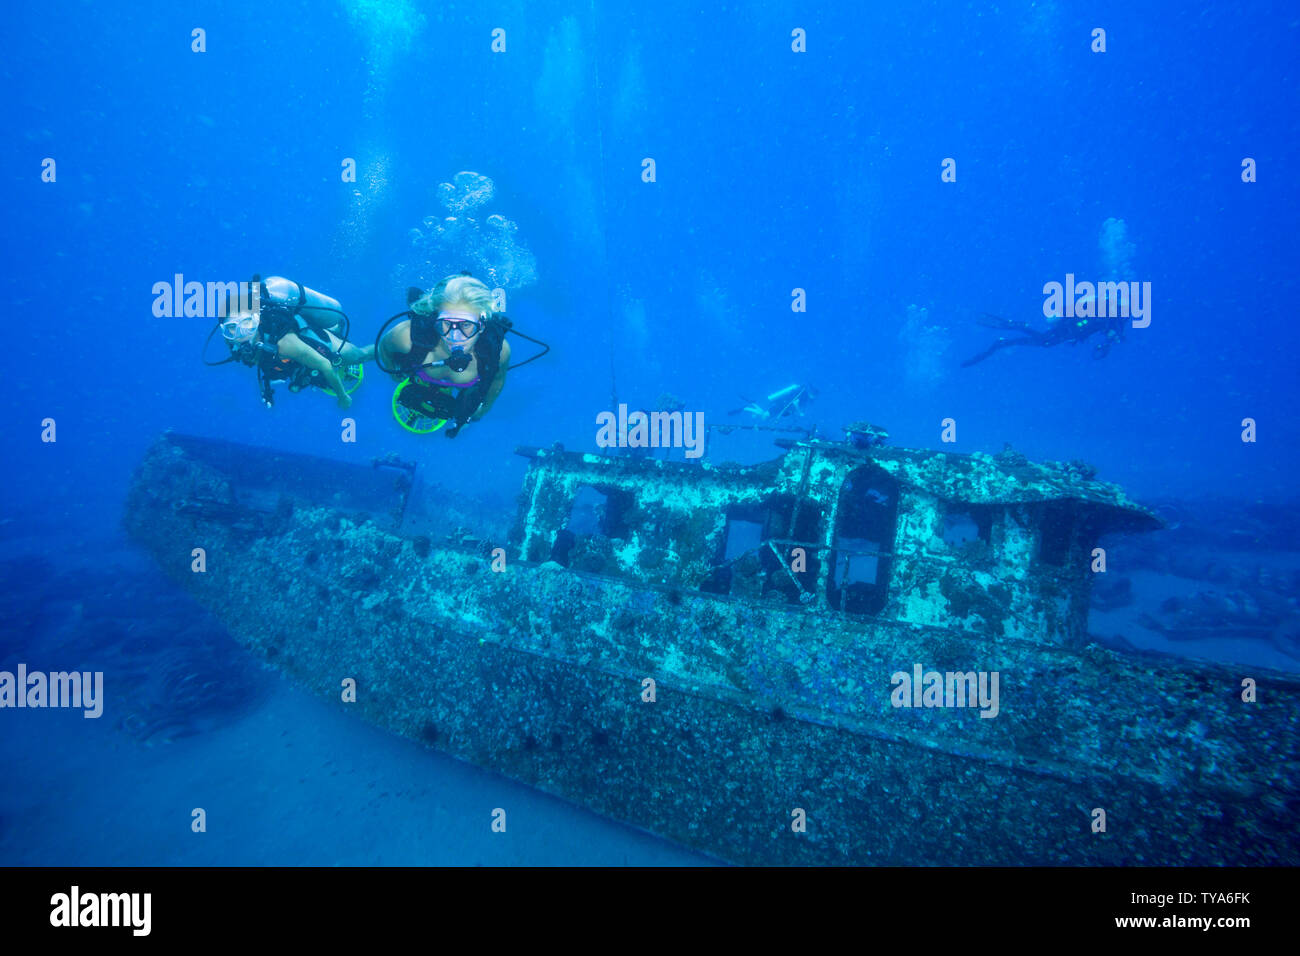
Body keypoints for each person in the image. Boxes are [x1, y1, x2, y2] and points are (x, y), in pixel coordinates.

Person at [377, 273, 511, 437]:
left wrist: (484, 409)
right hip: (418, 363)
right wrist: (393, 373)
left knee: (467, 408)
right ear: (435, 319)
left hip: (439, 377)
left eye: (467, 325)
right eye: (446, 323)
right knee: (370, 352)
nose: (454, 337)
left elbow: (497, 379)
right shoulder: (404, 337)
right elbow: (384, 348)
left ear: (482, 325)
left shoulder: (499, 352)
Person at [216, 276, 372, 408]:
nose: (241, 334)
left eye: (246, 324)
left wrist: (343, 397)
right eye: (232, 328)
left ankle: (385, 348)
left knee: (360, 356)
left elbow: (325, 365)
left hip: (325, 345)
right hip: (303, 361)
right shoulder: (239, 346)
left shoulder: (284, 344)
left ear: (257, 321)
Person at [960, 306, 1125, 368]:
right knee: (1044, 341)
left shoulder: (1108, 318)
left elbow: (1098, 331)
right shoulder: (1109, 318)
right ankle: (1014, 329)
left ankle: (1007, 339)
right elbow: (1088, 325)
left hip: (1069, 330)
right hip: (1067, 329)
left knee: (1044, 341)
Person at [728, 384, 818, 422]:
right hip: (780, 406)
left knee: (763, 415)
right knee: (764, 417)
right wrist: (800, 413)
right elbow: (795, 403)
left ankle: (751, 404)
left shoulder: (802, 395)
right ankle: (747, 408)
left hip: (780, 406)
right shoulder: (803, 396)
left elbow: (793, 404)